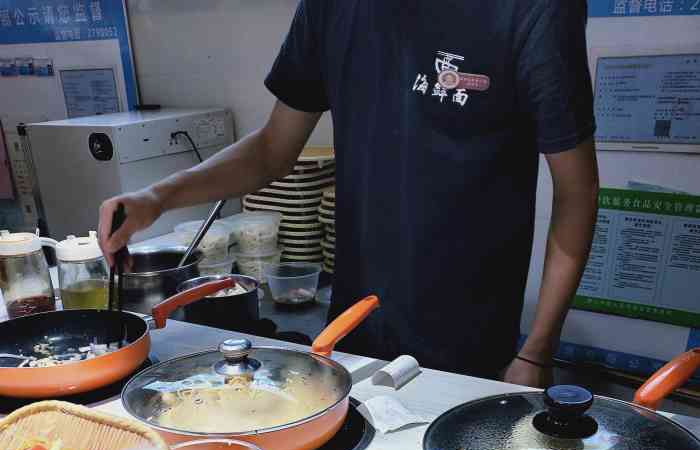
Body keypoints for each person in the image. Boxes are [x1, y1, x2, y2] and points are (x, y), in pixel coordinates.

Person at [99, 0, 599, 387]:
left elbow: (576, 192)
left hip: (471, 345)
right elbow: (273, 149)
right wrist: (156, 198)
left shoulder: (534, 9)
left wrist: (536, 350)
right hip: (353, 333)